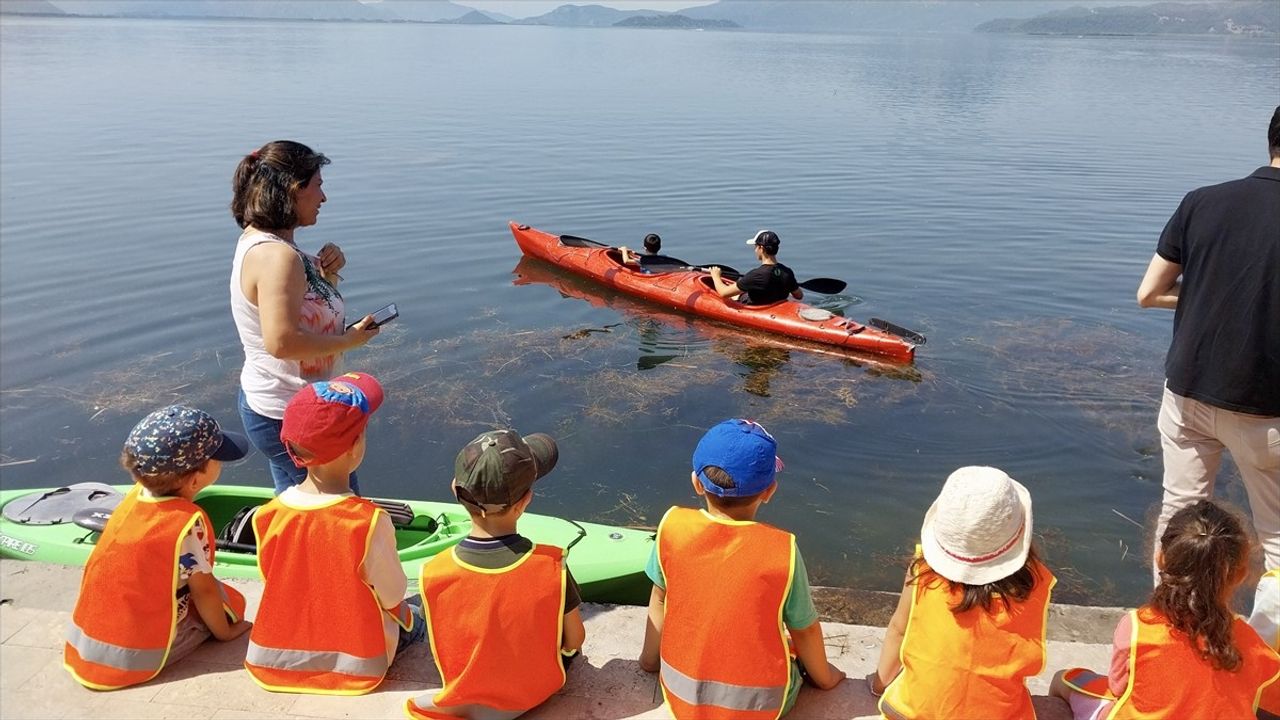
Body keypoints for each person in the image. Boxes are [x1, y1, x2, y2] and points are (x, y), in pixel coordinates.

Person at [1136, 107, 1280, 592]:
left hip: (1188, 394)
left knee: (1180, 519)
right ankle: (1266, 638)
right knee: (1277, 539)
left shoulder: (1202, 201)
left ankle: (1166, 625)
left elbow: (1149, 293)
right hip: (1266, 410)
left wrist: (1208, 294)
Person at [638, 419, 845, 719]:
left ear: (696, 483)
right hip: (760, 706)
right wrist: (826, 679)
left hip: (679, 694)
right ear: (769, 491)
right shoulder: (782, 550)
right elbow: (805, 630)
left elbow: (659, 599)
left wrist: (649, 662)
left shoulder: (672, 527)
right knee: (792, 653)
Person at [244, 372, 423, 694]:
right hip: (357, 664)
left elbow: (273, 577)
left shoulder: (267, 515)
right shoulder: (368, 521)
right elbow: (392, 594)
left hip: (273, 660)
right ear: (355, 447)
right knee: (418, 611)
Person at [230, 140, 381, 496]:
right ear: (293, 190)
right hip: (290, 414)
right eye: (318, 185)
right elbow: (282, 342)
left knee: (295, 502)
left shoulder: (273, 245)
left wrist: (329, 275)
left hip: (284, 407)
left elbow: (303, 312)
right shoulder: (276, 257)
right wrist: (349, 341)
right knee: (336, 507)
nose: (323, 197)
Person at [64, 405, 253, 690]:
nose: (221, 463)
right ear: (195, 480)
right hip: (131, 659)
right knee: (230, 603)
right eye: (217, 458)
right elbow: (203, 592)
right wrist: (226, 633)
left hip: (87, 643)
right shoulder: (185, 525)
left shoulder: (136, 497)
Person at [406, 428, 585, 720]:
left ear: (455, 489)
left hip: (467, 698)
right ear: (525, 502)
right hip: (533, 694)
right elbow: (575, 640)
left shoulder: (433, 573)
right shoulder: (553, 564)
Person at [1050, 500, 1280, 719]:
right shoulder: (1253, 644)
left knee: (1065, 679)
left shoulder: (1138, 627)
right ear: (1240, 575)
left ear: (1160, 559)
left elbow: (1118, 687)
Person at [868, 466, 1055, 719]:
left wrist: (879, 685)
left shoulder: (922, 571)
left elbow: (898, 631)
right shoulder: (1036, 586)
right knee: (1063, 679)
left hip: (915, 713)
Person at [708, 230, 802, 305]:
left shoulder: (756, 275)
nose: (755, 250)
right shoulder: (787, 272)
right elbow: (799, 296)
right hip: (777, 305)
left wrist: (715, 275)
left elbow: (723, 293)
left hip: (756, 307)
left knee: (733, 295)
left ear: (761, 248)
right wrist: (788, 285)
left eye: (755, 247)